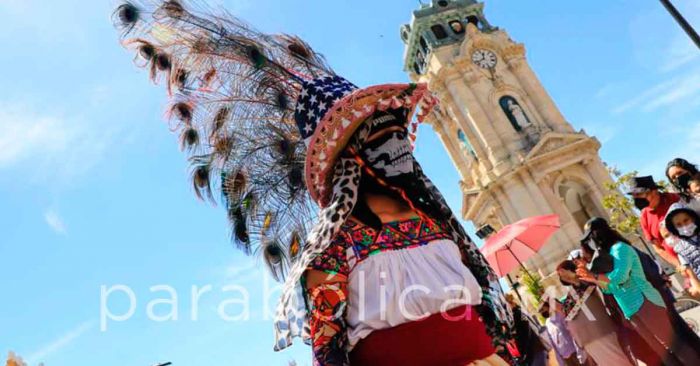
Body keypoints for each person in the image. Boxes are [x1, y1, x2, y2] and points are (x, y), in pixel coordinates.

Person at [113, 2, 514, 365]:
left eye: (393, 129)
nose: (394, 143)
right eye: (377, 135)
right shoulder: (333, 251)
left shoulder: (435, 225)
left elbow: (487, 317)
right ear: (351, 158)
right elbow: (330, 350)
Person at [576, 217, 700, 366]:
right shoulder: (608, 255)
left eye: (592, 237)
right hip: (631, 310)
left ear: (600, 233)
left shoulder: (620, 248)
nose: (592, 242)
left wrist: (594, 276)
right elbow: (610, 288)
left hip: (646, 302)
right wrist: (592, 278)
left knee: (675, 346)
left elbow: (620, 277)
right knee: (661, 351)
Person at [556, 260, 634, 366]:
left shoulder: (586, 281)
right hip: (587, 338)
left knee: (618, 362)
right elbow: (569, 313)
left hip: (600, 331)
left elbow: (588, 287)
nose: (563, 277)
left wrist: (575, 277)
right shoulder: (571, 293)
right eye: (560, 275)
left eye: (564, 272)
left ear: (571, 269)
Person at [627, 176, 681, 267]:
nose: (636, 198)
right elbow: (658, 248)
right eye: (634, 195)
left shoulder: (674, 199)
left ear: (654, 191)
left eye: (639, 194)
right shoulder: (644, 217)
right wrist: (679, 265)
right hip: (683, 266)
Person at [665, 204, 700, 297]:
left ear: (693, 218)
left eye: (686, 220)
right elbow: (690, 271)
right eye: (679, 224)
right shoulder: (680, 248)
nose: (684, 225)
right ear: (674, 228)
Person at [505, 294, 550, 366]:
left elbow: (524, 332)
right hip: (536, 348)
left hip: (533, 351)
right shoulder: (520, 312)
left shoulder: (517, 314)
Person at [539, 299, 585, 366]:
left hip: (575, 352)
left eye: (542, 309)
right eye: (540, 311)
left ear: (548, 306)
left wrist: (580, 351)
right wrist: (561, 362)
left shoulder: (560, 315)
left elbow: (572, 332)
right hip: (566, 359)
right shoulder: (547, 323)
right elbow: (553, 344)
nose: (542, 312)